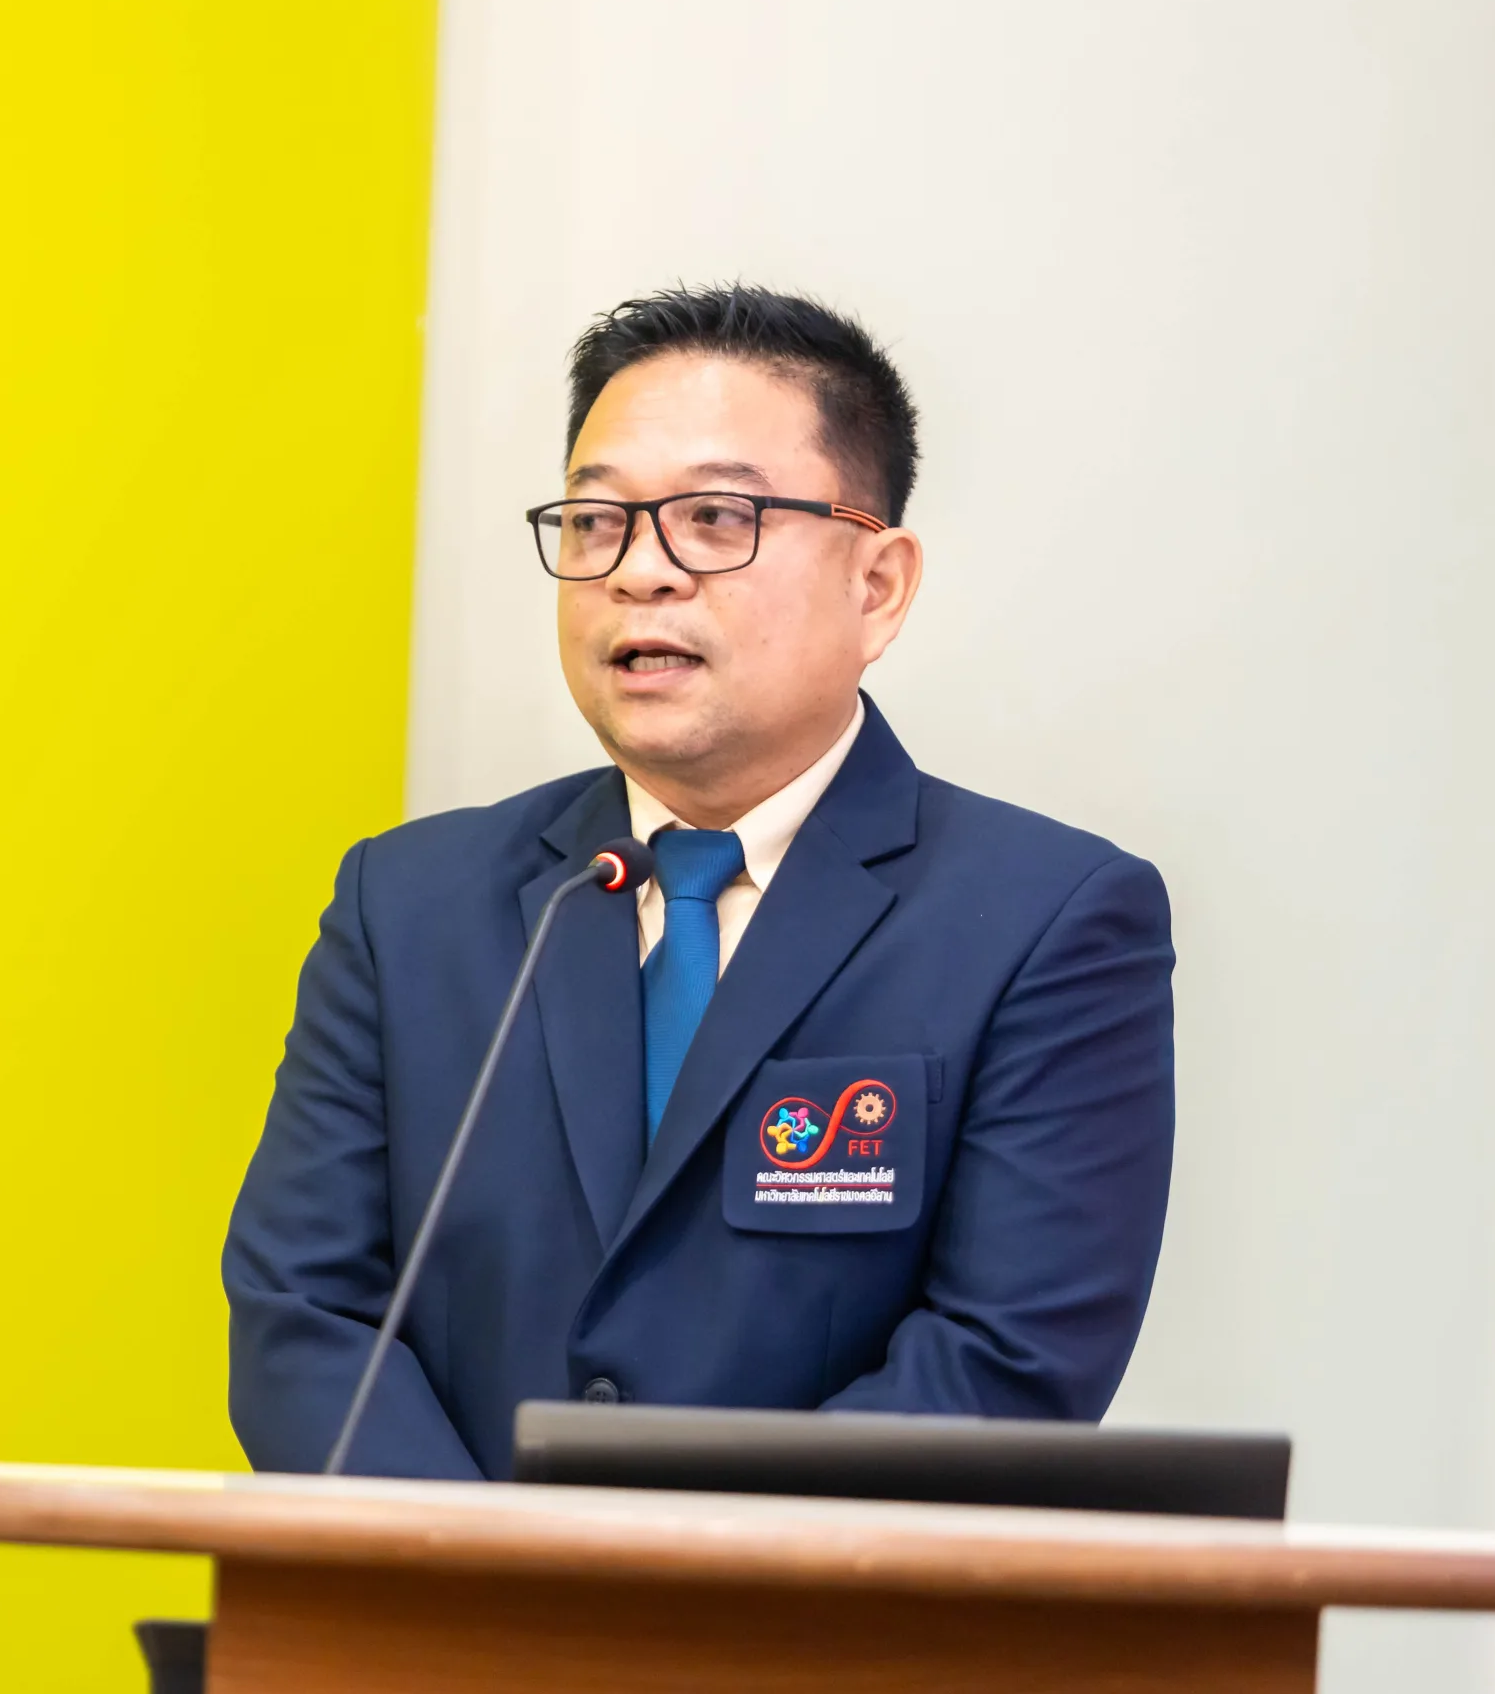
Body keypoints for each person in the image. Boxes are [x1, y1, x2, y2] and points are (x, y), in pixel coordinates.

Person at [223, 284, 1177, 1480]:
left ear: (876, 586)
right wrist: (484, 1572)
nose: (640, 572)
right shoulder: (406, 907)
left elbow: (1004, 1364)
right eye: (596, 521)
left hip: (807, 1604)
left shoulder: (1046, 922)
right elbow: (304, 1317)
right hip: (450, 1598)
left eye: (716, 518)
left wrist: (661, 1577)